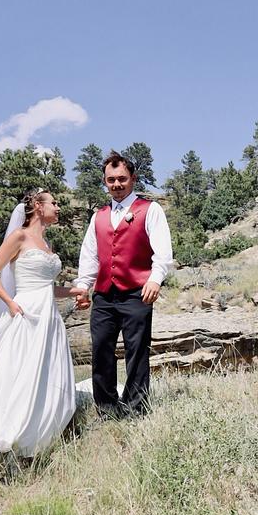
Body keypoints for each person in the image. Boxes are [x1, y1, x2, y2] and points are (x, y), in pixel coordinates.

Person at [0, 189, 78, 456]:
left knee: (47, 375)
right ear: (38, 206)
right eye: (54, 203)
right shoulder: (19, 236)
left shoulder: (47, 245)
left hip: (49, 317)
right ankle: (7, 433)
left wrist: (76, 291)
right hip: (26, 313)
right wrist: (10, 303)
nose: (58, 207)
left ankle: (36, 438)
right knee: (20, 373)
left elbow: (47, 288)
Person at [69, 150, 173, 416]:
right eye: (111, 180)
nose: (116, 184)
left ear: (133, 179)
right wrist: (83, 287)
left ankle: (136, 409)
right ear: (105, 181)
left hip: (137, 293)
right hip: (104, 295)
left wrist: (155, 279)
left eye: (122, 179)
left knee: (136, 352)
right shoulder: (99, 216)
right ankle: (107, 409)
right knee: (101, 351)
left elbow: (163, 252)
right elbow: (90, 256)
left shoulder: (150, 210)